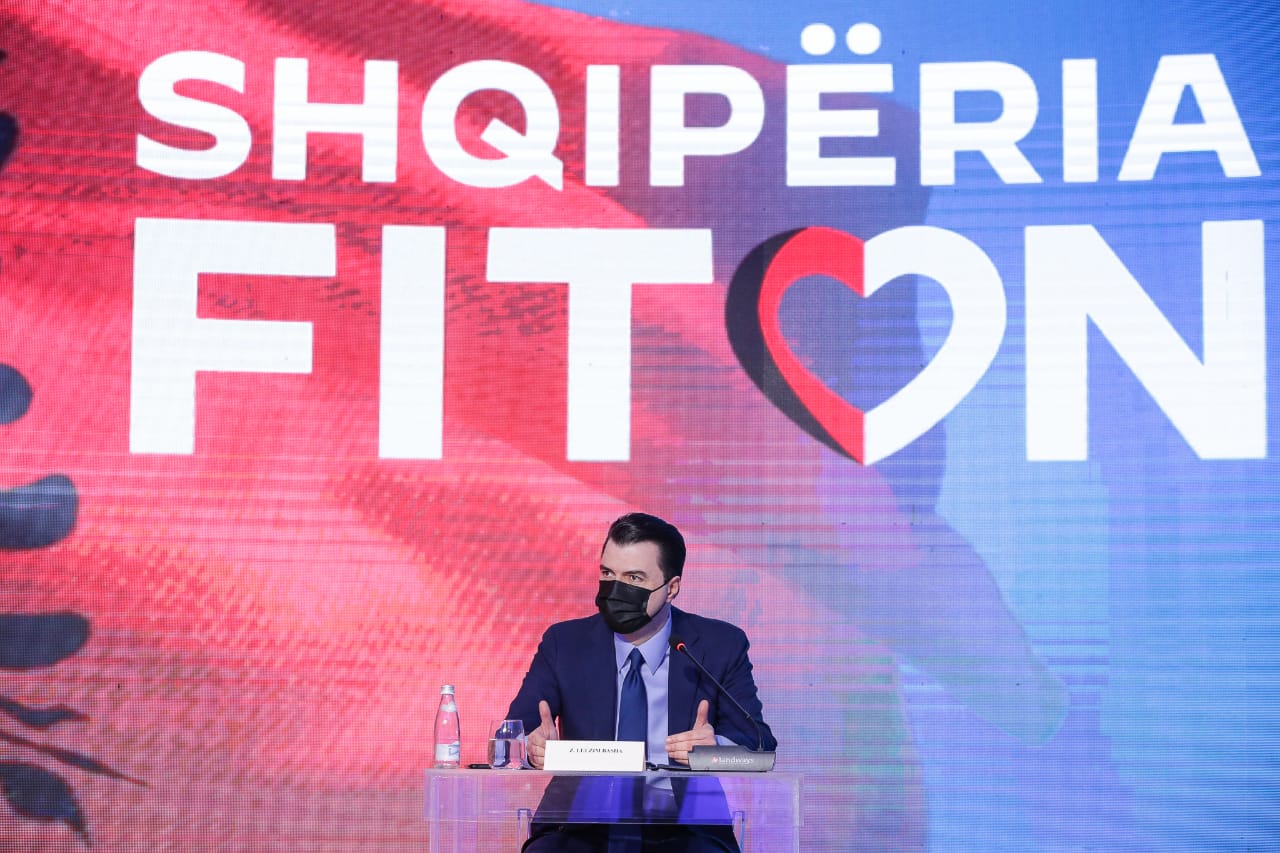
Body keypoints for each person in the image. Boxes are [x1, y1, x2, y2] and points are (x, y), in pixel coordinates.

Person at [506, 512, 777, 852]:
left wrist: (715, 750)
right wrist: (531, 747)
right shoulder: (565, 643)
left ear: (671, 588)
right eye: (608, 574)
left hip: (686, 829)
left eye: (633, 578)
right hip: (579, 826)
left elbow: (759, 745)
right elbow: (510, 736)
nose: (616, 590)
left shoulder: (718, 645)